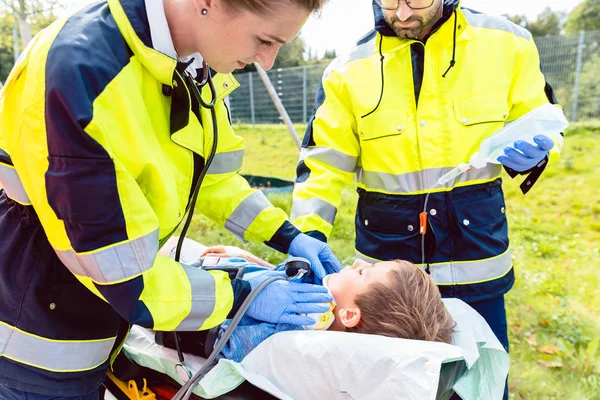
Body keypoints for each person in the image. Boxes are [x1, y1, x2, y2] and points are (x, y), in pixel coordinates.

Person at [0, 0, 342, 397]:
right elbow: (124, 276)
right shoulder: (79, 77)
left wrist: (286, 235)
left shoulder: (194, 65)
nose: (267, 61)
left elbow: (211, 179)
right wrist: (244, 295)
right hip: (35, 345)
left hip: (94, 327)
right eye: (265, 39)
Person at [290, 1, 562, 398]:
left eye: (415, 0)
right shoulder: (347, 70)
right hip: (387, 281)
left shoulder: (507, 43)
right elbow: (322, 166)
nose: (401, 14)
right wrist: (306, 235)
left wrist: (539, 152)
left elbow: (542, 120)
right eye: (389, 1)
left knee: (480, 385)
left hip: (477, 263)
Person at [157, 254, 456, 363]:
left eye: (365, 273)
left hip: (180, 304)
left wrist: (244, 282)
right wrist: (251, 262)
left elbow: (227, 342)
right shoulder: (317, 307)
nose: (357, 263)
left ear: (349, 315)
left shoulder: (294, 334)